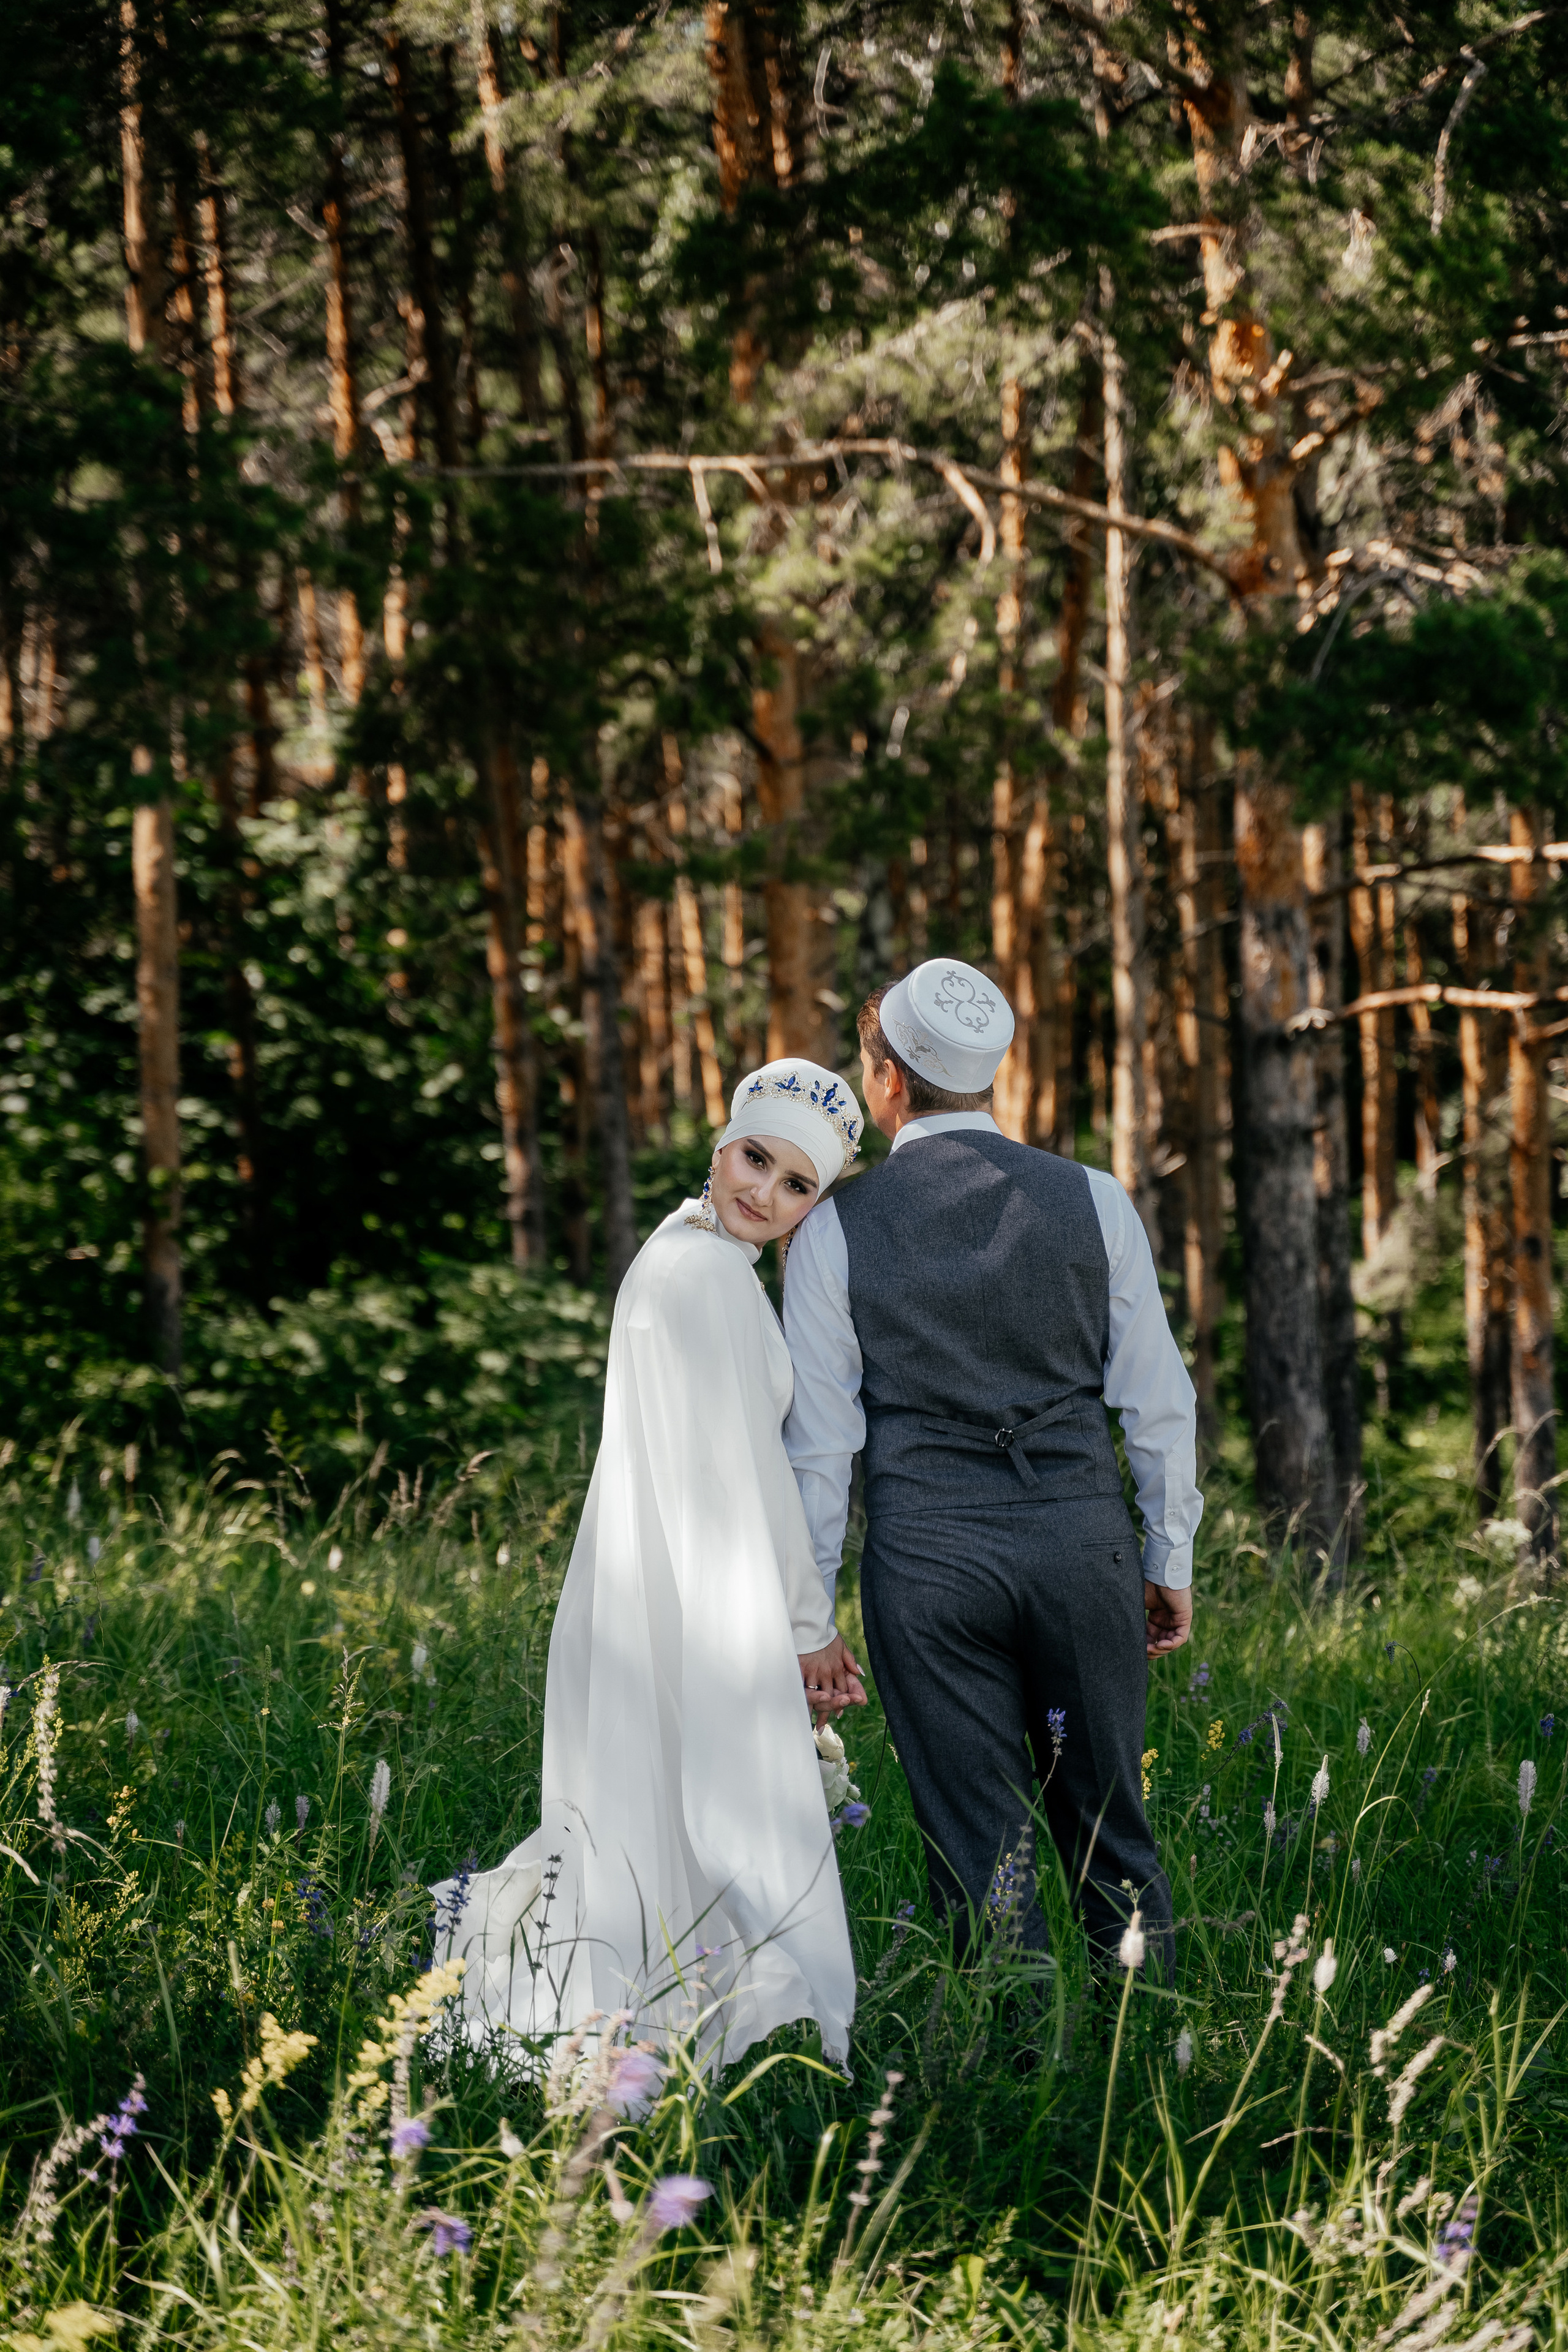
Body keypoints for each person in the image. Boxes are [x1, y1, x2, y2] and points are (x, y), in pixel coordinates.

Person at [432, 1058, 867, 2071]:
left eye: (796, 1184)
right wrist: (809, 1629)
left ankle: (658, 1990)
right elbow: (751, 1468)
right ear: (721, 1143)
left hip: (651, 1576)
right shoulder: (710, 1276)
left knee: (650, 1809)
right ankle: (707, 2012)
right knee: (708, 1804)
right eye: (755, 1159)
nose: (765, 1193)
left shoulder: (677, 1251)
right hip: (694, 1586)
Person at [782, 961, 1202, 1976]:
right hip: (1082, 1550)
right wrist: (1169, 1558)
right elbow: (1158, 1401)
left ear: (888, 1078)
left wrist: (807, 1619)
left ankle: (1010, 2058)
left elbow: (821, 1448)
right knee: (1114, 1832)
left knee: (980, 1854)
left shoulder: (832, 1226)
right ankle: (1148, 2047)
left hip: (928, 1567)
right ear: (988, 1077)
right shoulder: (1095, 1200)